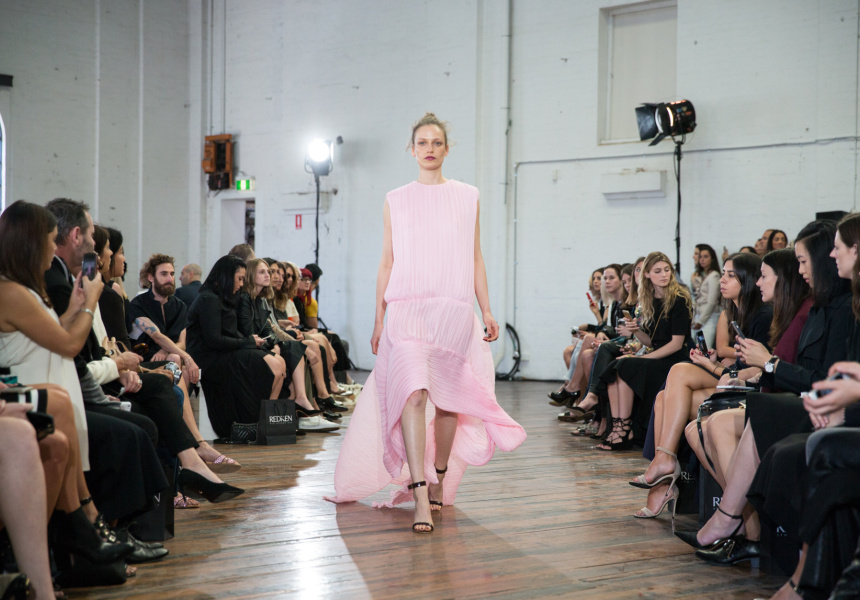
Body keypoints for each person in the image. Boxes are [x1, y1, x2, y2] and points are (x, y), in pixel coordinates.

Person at [326, 112, 526, 533]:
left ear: (447, 149)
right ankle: (419, 491)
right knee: (413, 395)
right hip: (406, 310)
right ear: (412, 149)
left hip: (452, 310)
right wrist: (378, 318)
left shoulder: (467, 196)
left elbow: (475, 257)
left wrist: (487, 310)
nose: (430, 149)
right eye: (422, 143)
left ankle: (438, 474)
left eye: (437, 142)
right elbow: (387, 261)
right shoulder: (396, 199)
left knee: (449, 401)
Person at [630, 252, 772, 518]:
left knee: (677, 373)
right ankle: (663, 470)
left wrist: (715, 367)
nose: (722, 280)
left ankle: (664, 467)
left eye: (731, 275)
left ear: (748, 280)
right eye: (724, 274)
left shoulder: (763, 315)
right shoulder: (734, 312)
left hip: (750, 387)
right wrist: (713, 363)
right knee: (662, 397)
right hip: (732, 378)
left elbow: (760, 368)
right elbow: (736, 361)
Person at [596, 251, 693, 450]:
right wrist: (636, 331)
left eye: (667, 270)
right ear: (647, 274)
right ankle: (619, 427)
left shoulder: (679, 299)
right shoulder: (650, 300)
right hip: (658, 355)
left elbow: (676, 344)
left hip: (676, 359)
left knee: (626, 364)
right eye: (658, 271)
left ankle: (624, 430)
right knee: (617, 366)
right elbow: (652, 341)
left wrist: (645, 357)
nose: (664, 275)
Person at [186, 255, 285, 438]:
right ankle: (256, 421)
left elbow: (230, 334)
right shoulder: (209, 299)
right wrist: (248, 343)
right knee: (272, 365)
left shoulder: (223, 298)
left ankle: (265, 421)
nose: (241, 284)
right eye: (239, 279)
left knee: (279, 362)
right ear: (226, 277)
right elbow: (213, 340)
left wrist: (252, 343)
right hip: (210, 358)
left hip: (224, 351)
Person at [690, 244, 722, 348]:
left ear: (712, 259)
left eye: (706, 256)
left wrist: (701, 321)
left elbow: (712, 302)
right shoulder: (699, 276)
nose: (702, 259)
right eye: (700, 257)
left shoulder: (714, 275)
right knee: (697, 347)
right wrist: (694, 318)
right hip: (698, 316)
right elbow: (696, 299)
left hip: (709, 317)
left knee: (704, 347)